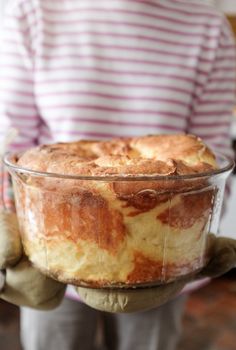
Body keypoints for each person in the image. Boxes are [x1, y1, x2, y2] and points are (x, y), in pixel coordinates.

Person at [0, 0, 235, 349]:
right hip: (51, 257)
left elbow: (212, 157)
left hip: (165, 260)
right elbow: (11, 138)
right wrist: (8, 222)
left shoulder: (208, 28)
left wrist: (191, 240)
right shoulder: (33, 11)